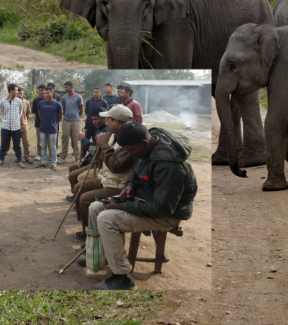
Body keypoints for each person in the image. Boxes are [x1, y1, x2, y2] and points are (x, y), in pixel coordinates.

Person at [85, 122, 197, 290]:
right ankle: (100, 255)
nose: (130, 155)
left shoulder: (169, 166)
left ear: (144, 143)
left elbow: (162, 209)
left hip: (166, 215)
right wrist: (131, 185)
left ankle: (123, 278)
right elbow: (137, 174)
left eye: (131, 151)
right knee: (96, 207)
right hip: (147, 200)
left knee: (106, 219)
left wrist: (122, 206)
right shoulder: (144, 149)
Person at [70, 105, 135, 240]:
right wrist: (100, 150)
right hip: (106, 178)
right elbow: (103, 158)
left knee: (85, 199)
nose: (106, 123)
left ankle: (94, 237)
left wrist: (104, 145)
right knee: (78, 188)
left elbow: (116, 166)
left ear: (116, 121)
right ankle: (87, 230)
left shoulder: (128, 139)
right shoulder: (113, 135)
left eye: (108, 120)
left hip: (117, 185)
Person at [66, 106, 109, 204]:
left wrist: (83, 139)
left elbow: (96, 151)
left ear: (104, 118)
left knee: (74, 176)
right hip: (92, 160)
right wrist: (85, 158)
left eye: (96, 119)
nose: (93, 122)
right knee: (72, 168)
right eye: (92, 119)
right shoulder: (98, 129)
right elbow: (94, 148)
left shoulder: (106, 132)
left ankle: (80, 199)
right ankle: (76, 195)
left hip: (99, 165)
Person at [0, 84, 25, 168]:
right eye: (16, 90)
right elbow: (2, 112)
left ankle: (19, 160)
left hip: (16, 127)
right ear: (11, 91)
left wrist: (15, 120)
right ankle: (1, 159)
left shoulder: (19, 101)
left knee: (17, 145)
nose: (17, 92)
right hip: (5, 127)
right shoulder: (2, 101)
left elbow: (20, 113)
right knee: (3, 144)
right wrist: (6, 120)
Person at [37, 84, 64, 170]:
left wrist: (54, 123)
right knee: (43, 146)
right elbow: (40, 114)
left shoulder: (57, 104)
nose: (46, 95)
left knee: (53, 147)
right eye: (45, 93)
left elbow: (60, 116)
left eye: (48, 93)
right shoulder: (41, 103)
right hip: (43, 128)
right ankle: (44, 162)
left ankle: (53, 163)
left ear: (52, 94)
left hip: (53, 129)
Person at [59, 81, 84, 163]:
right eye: (65, 87)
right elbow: (63, 109)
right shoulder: (64, 98)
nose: (65, 89)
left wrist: (76, 116)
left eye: (66, 87)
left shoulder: (78, 97)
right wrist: (67, 115)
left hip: (75, 121)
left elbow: (81, 109)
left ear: (71, 87)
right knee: (65, 138)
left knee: (75, 139)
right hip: (66, 120)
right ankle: (63, 157)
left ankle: (77, 157)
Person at [17, 87, 33, 165]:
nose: (20, 95)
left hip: (24, 125)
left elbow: (27, 114)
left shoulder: (26, 102)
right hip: (15, 126)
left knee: (26, 142)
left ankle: (27, 157)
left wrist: (24, 121)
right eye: (18, 93)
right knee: (16, 143)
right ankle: (18, 157)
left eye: (21, 93)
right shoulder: (13, 102)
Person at [32, 85, 46, 160]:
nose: (41, 92)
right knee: (39, 140)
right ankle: (39, 154)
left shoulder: (49, 100)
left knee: (50, 139)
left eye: (42, 90)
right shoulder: (36, 101)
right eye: (39, 90)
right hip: (39, 123)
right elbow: (35, 112)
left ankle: (49, 154)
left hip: (49, 123)